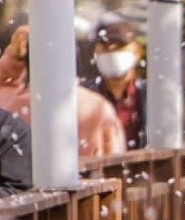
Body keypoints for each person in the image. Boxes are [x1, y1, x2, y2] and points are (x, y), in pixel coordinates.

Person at [0, 23, 127, 159]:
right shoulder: (98, 107)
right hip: (89, 172)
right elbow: (116, 164)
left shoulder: (11, 107)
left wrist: (13, 60)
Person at [86, 19, 146, 150]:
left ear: (137, 51)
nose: (111, 50)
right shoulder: (86, 99)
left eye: (120, 45)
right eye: (105, 46)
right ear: (95, 53)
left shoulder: (151, 97)